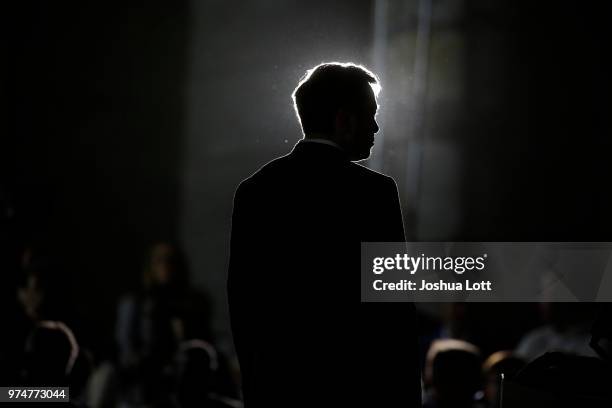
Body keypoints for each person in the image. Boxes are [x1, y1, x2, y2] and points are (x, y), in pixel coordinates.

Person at [228, 62, 421, 406]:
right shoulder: (374, 194)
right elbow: (392, 312)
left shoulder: (255, 190)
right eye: (371, 115)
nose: (376, 126)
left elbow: (245, 307)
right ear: (344, 120)